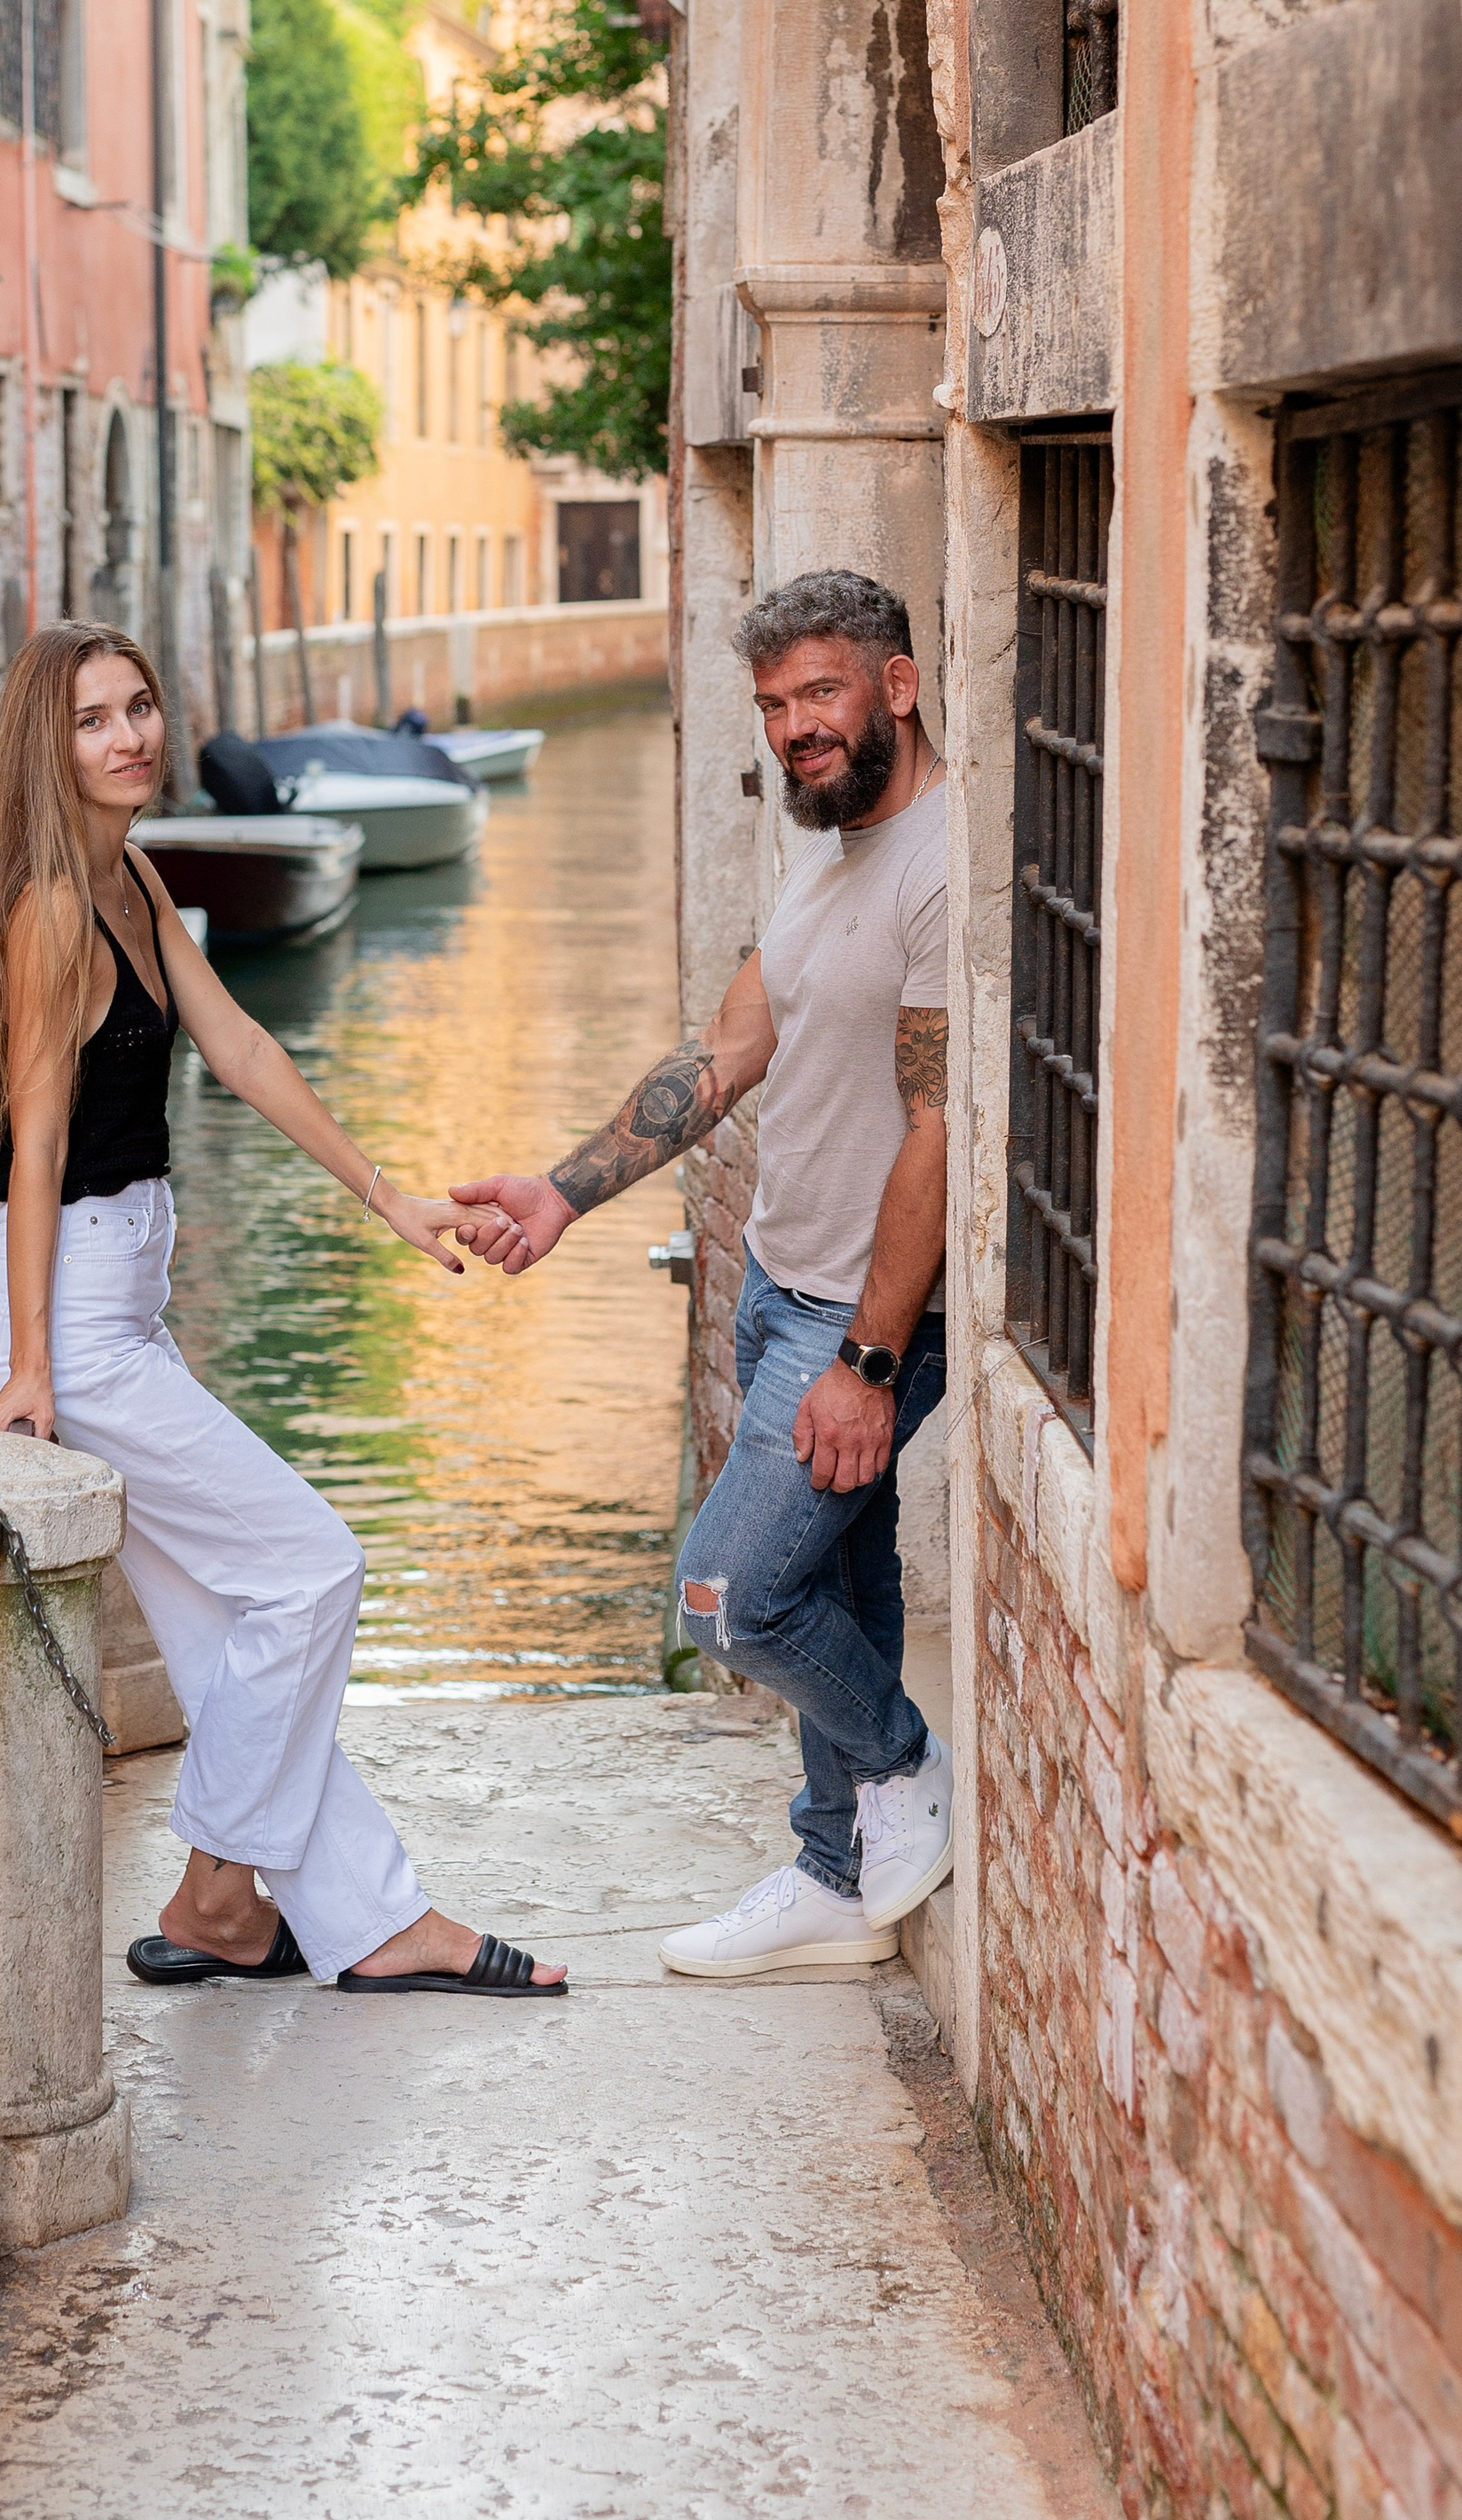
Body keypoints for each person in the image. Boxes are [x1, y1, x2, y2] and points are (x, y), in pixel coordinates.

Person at [0, 620, 563, 2002]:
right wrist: (33, 1369)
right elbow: (30, 1148)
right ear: (50, 744)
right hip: (66, 1317)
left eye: (140, 706)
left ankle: (336, 1922)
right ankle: (220, 1881)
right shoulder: (44, 914)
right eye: (93, 719)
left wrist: (387, 1197)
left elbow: (245, 1047)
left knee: (226, 1641)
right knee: (315, 1566)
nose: (130, 736)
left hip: (114, 1304)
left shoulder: (134, 880)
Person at [452, 569, 952, 1977]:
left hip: (855, 1319)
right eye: (776, 704)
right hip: (777, 1286)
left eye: (823, 693)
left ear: (895, 687)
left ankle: (903, 1770)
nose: (797, 726)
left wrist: (867, 1359)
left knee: (729, 1596)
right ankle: (832, 1870)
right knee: (841, 1585)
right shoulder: (825, 846)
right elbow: (724, 1057)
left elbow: (940, 1126)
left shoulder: (939, 859)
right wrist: (563, 1191)